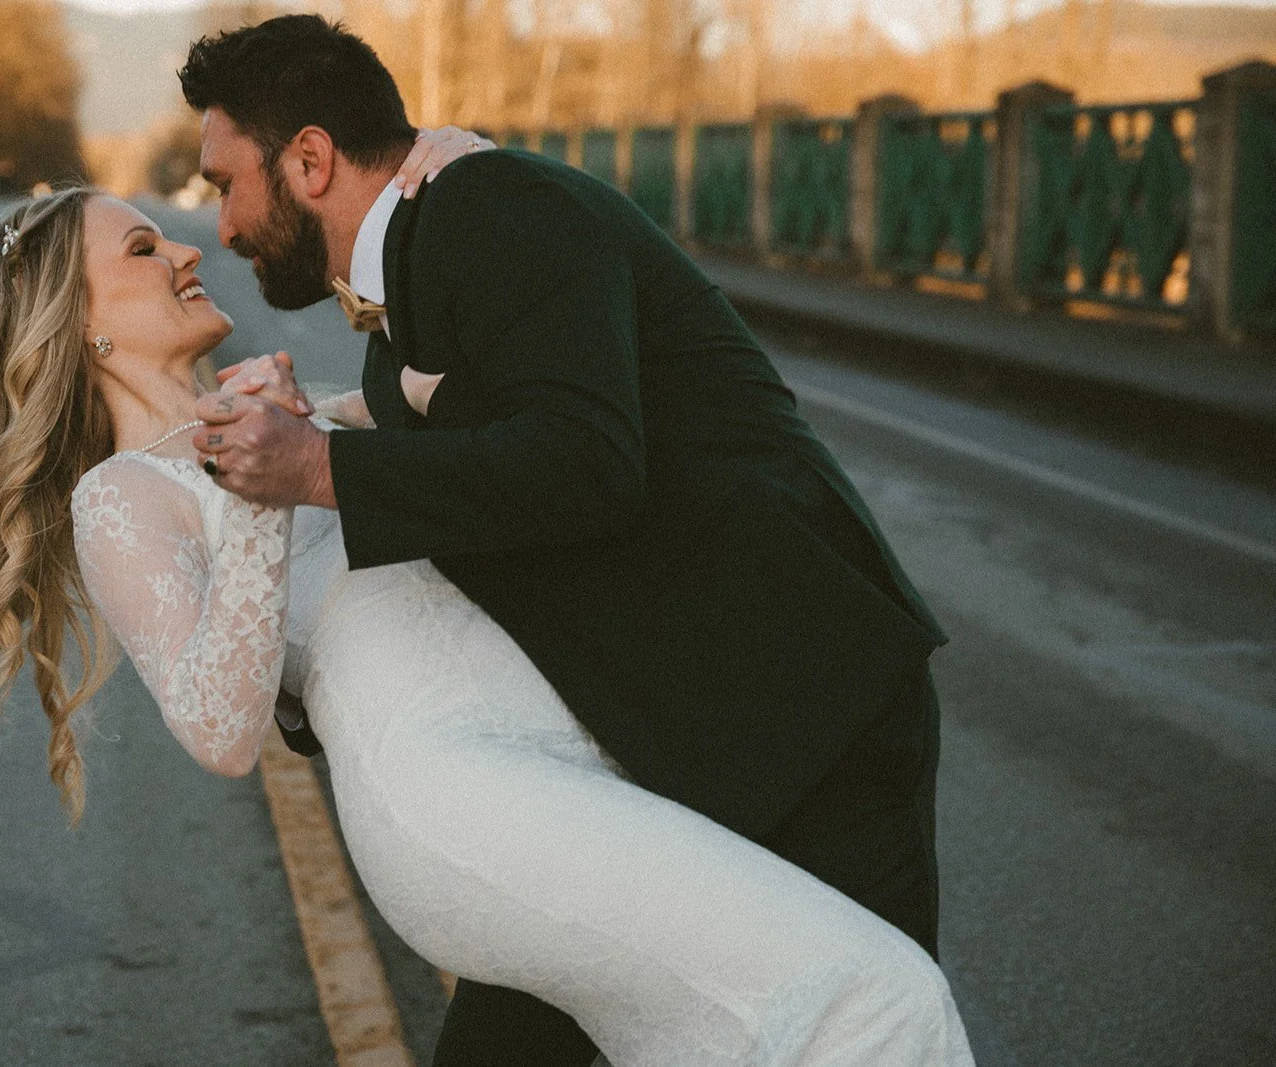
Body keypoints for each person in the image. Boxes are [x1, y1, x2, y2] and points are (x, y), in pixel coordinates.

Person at [0, 181, 974, 1062]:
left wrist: (455, 178)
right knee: (868, 991)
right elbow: (219, 728)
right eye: (141, 249)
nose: (185, 249)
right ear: (81, 325)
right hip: (461, 793)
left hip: (574, 763)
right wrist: (260, 488)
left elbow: (515, 434)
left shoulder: (301, 414)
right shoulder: (123, 495)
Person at [183, 15, 958, 1065]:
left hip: (801, 707)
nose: (223, 223)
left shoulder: (494, 206)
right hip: (646, 743)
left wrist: (318, 467)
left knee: (858, 1029)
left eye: (226, 182)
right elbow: (480, 469)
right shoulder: (429, 240)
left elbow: (585, 460)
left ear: (309, 159)